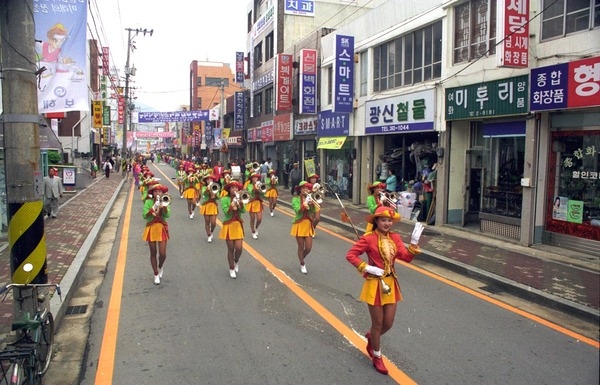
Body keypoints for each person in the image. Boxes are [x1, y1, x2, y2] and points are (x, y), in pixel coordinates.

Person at [346, 206, 424, 375]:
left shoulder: (395, 237)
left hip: (391, 283)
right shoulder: (368, 238)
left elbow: (406, 257)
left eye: (389, 220)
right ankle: (377, 355)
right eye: (383, 220)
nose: (387, 223)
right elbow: (351, 255)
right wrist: (367, 267)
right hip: (374, 284)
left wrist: (413, 243)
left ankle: (372, 338)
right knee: (378, 323)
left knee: (388, 323)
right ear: (376, 221)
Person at [142, 183, 171, 285]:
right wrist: (154, 207)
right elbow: (144, 216)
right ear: (153, 193)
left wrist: (164, 207)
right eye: (155, 191)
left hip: (161, 228)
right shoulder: (148, 202)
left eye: (159, 191)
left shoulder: (166, 201)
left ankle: (160, 266)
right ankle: (155, 274)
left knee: (163, 254)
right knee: (153, 252)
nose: (157, 193)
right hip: (151, 228)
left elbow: (168, 215)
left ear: (162, 193)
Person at [218, 181, 246, 278]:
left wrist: (240, 203)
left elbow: (244, 211)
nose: (235, 189)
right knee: (231, 248)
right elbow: (226, 212)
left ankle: (236, 261)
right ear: (229, 189)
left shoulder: (240, 198)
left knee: (239, 248)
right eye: (232, 188)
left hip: (238, 224)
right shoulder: (224, 199)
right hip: (228, 225)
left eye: (236, 188)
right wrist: (233, 203)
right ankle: (231, 268)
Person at [290, 181, 317, 274]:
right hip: (299, 224)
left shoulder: (310, 198)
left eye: (307, 188)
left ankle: (301, 257)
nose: (305, 190)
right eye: (303, 188)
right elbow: (298, 211)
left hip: (308, 224)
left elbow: (314, 210)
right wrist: (305, 202)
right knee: (301, 247)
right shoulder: (295, 199)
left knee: (308, 247)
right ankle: (302, 263)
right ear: (300, 190)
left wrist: (312, 203)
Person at [199, 174, 220, 243]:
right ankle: (208, 235)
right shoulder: (204, 187)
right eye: (208, 180)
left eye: (210, 179)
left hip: (213, 205)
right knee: (207, 221)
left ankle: (211, 231)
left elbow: (218, 197)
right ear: (206, 181)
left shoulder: (216, 187)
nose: (209, 181)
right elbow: (204, 194)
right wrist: (208, 189)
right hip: (206, 205)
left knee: (213, 223)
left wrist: (215, 194)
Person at [246, 172, 264, 239]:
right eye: (254, 177)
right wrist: (255, 187)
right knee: (252, 219)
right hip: (252, 203)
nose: (255, 178)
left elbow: (263, 194)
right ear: (252, 179)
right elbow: (250, 192)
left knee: (259, 219)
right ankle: (253, 231)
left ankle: (256, 227)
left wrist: (260, 189)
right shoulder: (250, 185)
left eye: (256, 177)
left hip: (258, 202)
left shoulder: (260, 184)